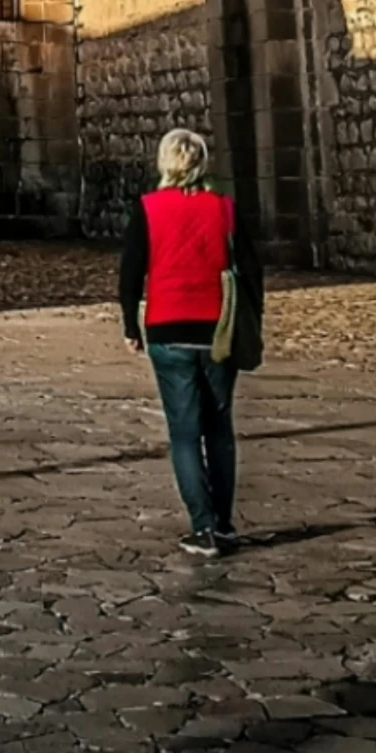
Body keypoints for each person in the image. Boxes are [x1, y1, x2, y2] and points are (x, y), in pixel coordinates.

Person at [119, 128, 263, 558]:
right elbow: (252, 273)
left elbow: (131, 274)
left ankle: (203, 528)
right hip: (217, 330)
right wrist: (252, 324)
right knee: (220, 429)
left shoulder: (148, 209)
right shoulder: (225, 209)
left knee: (184, 433)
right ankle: (223, 523)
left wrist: (131, 326)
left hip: (168, 329)